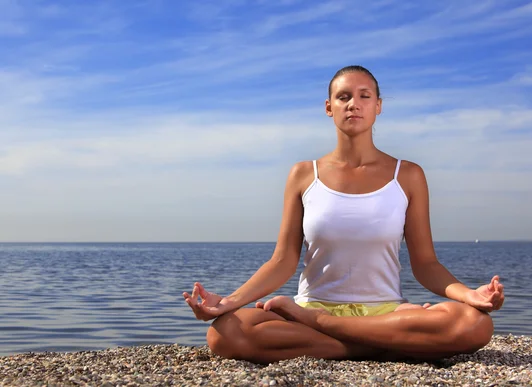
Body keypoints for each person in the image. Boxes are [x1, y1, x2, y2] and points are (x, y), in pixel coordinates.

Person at [183, 65, 505, 364]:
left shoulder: (407, 175)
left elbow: (426, 264)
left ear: (378, 106)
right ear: (329, 107)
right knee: (225, 332)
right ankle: (389, 344)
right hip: (316, 305)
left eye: (365, 96)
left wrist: (468, 293)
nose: (354, 104)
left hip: (381, 313)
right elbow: (282, 261)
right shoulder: (303, 175)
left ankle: (328, 330)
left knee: (474, 323)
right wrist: (228, 302)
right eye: (344, 97)